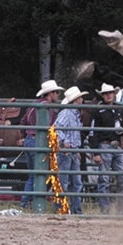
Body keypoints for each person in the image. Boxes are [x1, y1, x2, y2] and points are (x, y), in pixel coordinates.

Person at [19, 80, 64, 209]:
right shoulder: (47, 108)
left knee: (33, 174)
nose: (57, 95)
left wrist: (24, 135)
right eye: (56, 92)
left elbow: (23, 121)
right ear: (50, 93)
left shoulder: (33, 105)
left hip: (29, 139)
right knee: (39, 174)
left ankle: (27, 202)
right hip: (38, 141)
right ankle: (27, 202)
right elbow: (49, 126)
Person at [87, 83, 123, 214]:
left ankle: (121, 209)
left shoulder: (119, 109)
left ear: (114, 94)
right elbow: (93, 132)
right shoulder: (98, 111)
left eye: (110, 93)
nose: (108, 95)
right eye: (106, 93)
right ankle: (105, 209)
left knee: (121, 177)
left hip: (117, 145)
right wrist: (96, 152)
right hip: (104, 145)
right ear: (103, 96)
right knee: (104, 178)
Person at [54, 86, 89, 214]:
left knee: (75, 181)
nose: (82, 99)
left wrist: (76, 148)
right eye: (80, 97)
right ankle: (62, 208)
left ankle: (75, 209)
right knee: (65, 181)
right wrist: (64, 142)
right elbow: (56, 129)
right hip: (66, 151)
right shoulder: (67, 113)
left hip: (73, 150)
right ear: (76, 100)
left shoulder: (75, 113)